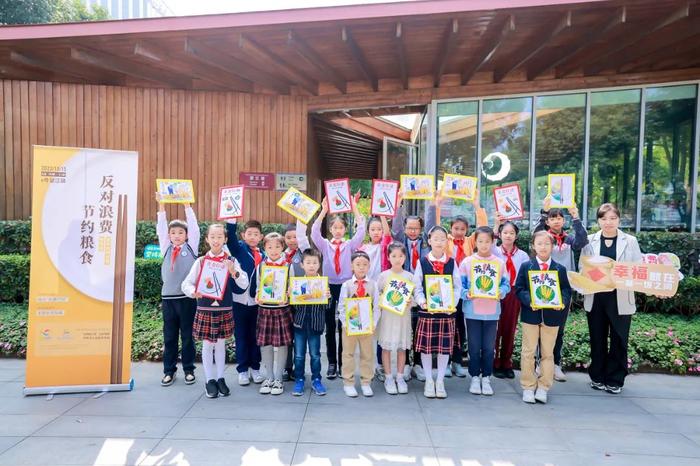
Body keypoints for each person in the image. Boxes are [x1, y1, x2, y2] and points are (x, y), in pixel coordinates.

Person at [580, 203, 643, 394]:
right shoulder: (589, 241)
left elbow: (638, 268)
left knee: (619, 339)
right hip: (596, 296)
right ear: (598, 220)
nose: (608, 223)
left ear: (619, 220)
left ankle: (615, 379)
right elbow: (583, 268)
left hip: (620, 296)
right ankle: (597, 376)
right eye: (604, 218)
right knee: (597, 338)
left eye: (613, 218)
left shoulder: (630, 241)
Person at [182, 224, 248, 398]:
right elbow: (186, 284)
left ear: (225, 239)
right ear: (207, 239)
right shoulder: (201, 261)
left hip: (225, 307)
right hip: (205, 308)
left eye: (220, 236)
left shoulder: (231, 260)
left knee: (220, 344)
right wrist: (192, 292)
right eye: (213, 236)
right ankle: (209, 380)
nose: (216, 240)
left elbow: (244, 284)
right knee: (207, 344)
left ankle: (220, 378)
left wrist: (234, 272)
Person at [310, 195, 366, 380]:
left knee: (344, 325)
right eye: (335, 227)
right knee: (329, 324)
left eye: (341, 227)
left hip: (345, 287)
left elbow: (361, 231)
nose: (338, 231)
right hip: (327, 286)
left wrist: (355, 207)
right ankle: (332, 363)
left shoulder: (350, 245)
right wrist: (323, 211)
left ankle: (343, 363)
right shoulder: (325, 245)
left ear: (345, 229)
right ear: (331, 229)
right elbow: (314, 232)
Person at [433, 192, 487, 378]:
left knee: (461, 327)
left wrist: (476, 205)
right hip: (446, 287)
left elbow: (483, 229)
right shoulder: (445, 240)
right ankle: (446, 362)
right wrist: (438, 205)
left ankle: (457, 361)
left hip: (465, 288)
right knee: (447, 326)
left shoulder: (470, 241)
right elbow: (436, 227)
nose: (459, 232)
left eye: (462, 229)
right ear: (451, 228)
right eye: (456, 228)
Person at [515, 230, 572, 404]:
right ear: (533, 246)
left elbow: (566, 290)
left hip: (552, 316)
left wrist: (561, 301)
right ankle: (528, 386)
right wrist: (529, 300)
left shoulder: (559, 269)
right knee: (528, 352)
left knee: (548, 354)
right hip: (530, 315)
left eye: (547, 244)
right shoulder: (526, 266)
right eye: (539, 243)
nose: (543, 247)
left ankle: (544, 387)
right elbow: (519, 289)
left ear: (552, 246)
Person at [534, 198, 588, 381]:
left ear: (563, 220)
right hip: (542, 286)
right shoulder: (543, 239)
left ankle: (555, 364)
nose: (556, 220)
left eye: (559, 217)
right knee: (540, 327)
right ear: (548, 221)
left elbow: (583, 241)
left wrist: (576, 217)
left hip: (563, 289)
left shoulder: (569, 239)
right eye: (552, 217)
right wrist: (544, 211)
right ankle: (539, 363)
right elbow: (535, 234)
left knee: (558, 328)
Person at [156, 194, 200, 387]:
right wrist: (161, 206)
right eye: (173, 232)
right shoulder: (165, 248)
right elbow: (160, 228)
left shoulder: (191, 247)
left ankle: (189, 370)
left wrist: (187, 206)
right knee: (170, 336)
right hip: (168, 299)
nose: (176, 235)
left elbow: (195, 227)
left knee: (188, 335)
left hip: (187, 298)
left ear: (186, 235)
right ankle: (169, 371)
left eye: (180, 233)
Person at [460, 226, 510, 396]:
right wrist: (466, 294)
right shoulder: (467, 262)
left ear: (492, 242)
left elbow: (506, 284)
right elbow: (460, 286)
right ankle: (475, 376)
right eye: (480, 241)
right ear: (475, 242)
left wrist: (501, 292)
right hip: (472, 311)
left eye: (487, 241)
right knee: (474, 346)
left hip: (492, 311)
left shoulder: (499, 263)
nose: (483, 245)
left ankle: (486, 377)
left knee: (489, 347)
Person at [412, 226, 462, 399]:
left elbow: (457, 286)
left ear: (446, 241)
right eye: (436, 238)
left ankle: (440, 380)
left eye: (443, 239)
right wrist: (422, 301)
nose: (439, 242)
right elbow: (417, 286)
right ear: (429, 240)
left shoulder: (452, 262)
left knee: (443, 348)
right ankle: (428, 380)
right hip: (428, 312)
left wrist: (452, 304)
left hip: (446, 313)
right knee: (426, 348)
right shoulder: (422, 262)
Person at [391, 194, 435, 382]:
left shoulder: (426, 240)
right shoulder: (400, 240)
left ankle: (417, 363)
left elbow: (433, 223)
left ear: (421, 229)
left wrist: (433, 203)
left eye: (416, 228)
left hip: (423, 288)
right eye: (409, 227)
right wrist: (399, 202)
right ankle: (406, 365)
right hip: (404, 287)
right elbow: (395, 226)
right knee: (406, 327)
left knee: (420, 327)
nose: (412, 231)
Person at [226, 218, 266, 386]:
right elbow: (231, 237)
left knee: (255, 337)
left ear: (261, 237)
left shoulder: (264, 254)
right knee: (241, 335)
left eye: (256, 234)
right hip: (240, 300)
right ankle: (242, 370)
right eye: (249, 233)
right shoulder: (238, 249)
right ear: (243, 235)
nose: (252, 237)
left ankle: (255, 368)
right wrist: (231, 218)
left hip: (257, 302)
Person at [376, 242, 420, 395]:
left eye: (400, 256)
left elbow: (416, 297)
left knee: (402, 348)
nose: (397, 259)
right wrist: (383, 298)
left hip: (403, 317)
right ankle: (388, 377)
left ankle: (400, 376)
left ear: (405, 257)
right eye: (393, 256)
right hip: (387, 317)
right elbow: (377, 296)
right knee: (386, 347)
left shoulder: (410, 276)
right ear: (388, 257)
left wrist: (410, 302)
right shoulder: (383, 276)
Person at [336, 251, 380, 397]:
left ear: (369, 266)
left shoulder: (373, 285)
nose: (361, 267)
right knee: (348, 353)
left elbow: (377, 306)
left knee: (367, 354)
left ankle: (366, 381)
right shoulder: (347, 285)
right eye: (358, 264)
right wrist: (345, 323)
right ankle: (348, 382)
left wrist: (373, 323)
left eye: (365, 265)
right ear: (352, 266)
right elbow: (342, 305)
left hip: (367, 327)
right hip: (350, 326)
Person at [255, 232, 293, 396]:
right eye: (269, 247)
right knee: (266, 344)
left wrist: (288, 295)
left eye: (277, 246)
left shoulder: (288, 266)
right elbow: (258, 287)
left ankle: (278, 378)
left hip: (281, 309)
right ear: (265, 248)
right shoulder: (261, 266)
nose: (274, 250)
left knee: (282, 344)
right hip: (265, 309)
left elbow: (292, 287)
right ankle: (268, 377)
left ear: (282, 247)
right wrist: (258, 296)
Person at [492, 218, 530, 379]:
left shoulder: (522, 255)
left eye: (511, 233)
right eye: (505, 232)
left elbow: (525, 276)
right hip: (496, 292)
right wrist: (495, 221)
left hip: (513, 293)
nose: (508, 236)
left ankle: (506, 363)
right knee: (496, 328)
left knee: (510, 328)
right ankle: (494, 362)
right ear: (500, 234)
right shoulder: (494, 251)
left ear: (516, 236)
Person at [290, 248, 329, 396]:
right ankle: (299, 379)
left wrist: (328, 297)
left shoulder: (323, 283)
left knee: (315, 355)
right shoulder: (298, 284)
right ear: (302, 265)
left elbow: (327, 307)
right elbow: (294, 306)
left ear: (319, 265)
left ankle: (316, 379)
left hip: (315, 325)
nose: (311, 265)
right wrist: (292, 296)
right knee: (299, 355)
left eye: (314, 263)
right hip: (300, 324)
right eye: (308, 262)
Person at [360, 216, 392, 382]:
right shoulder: (363, 247)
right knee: (367, 331)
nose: (376, 232)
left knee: (380, 331)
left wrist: (382, 215)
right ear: (368, 231)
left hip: (382, 291)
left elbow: (387, 234)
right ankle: (368, 366)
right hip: (365, 292)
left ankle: (380, 365)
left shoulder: (385, 246)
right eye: (373, 229)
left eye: (379, 229)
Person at [281, 221, 311, 382]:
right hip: (284, 303)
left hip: (301, 301)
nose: (292, 240)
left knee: (300, 336)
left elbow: (303, 237)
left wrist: (301, 219)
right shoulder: (281, 255)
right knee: (287, 337)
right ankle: (287, 368)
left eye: (295, 237)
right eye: (288, 237)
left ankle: (299, 368)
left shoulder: (305, 253)